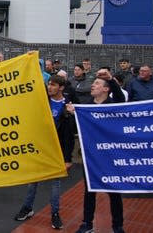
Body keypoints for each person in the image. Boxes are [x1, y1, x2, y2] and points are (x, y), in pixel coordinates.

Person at [14, 75, 75, 230]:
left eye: (53, 85)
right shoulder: (43, 101)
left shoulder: (68, 105)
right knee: (32, 182)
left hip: (57, 151)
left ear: (61, 87)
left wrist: (68, 158)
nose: (49, 87)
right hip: (40, 148)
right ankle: (27, 208)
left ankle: (55, 213)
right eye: (48, 84)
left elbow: (69, 135)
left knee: (55, 185)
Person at [66, 78, 125, 233]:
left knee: (114, 192)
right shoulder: (86, 107)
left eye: (97, 84)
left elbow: (121, 98)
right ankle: (87, 223)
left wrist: (111, 80)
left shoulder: (113, 105)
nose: (93, 85)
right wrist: (74, 113)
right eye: (93, 83)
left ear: (106, 89)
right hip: (91, 156)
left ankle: (117, 226)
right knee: (89, 190)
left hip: (110, 156)